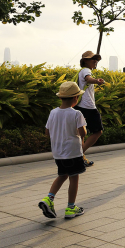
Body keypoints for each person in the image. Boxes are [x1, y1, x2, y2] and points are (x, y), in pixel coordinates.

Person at [38, 81, 87, 219]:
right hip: (73, 152)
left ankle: (49, 199)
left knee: (62, 175)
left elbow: (47, 132)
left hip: (58, 153)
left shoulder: (53, 112)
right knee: (74, 178)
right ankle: (71, 208)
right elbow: (82, 133)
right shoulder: (77, 114)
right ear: (75, 98)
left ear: (60, 97)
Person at [75, 51, 106, 167]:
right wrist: (97, 81)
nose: (95, 61)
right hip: (88, 107)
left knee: (82, 134)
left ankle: (80, 158)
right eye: (92, 59)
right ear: (85, 61)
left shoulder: (82, 71)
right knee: (98, 131)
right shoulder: (86, 70)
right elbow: (88, 79)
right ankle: (78, 155)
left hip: (80, 106)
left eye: (96, 59)